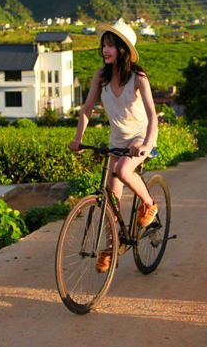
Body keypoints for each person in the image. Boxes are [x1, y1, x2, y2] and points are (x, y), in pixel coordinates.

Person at [68, 18, 159, 273]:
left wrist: (146, 146)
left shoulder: (138, 77)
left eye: (111, 45)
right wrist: (78, 139)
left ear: (123, 49)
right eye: (104, 45)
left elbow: (153, 115)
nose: (106, 50)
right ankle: (109, 247)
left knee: (123, 171)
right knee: (111, 198)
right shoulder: (101, 75)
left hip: (141, 136)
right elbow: (86, 109)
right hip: (117, 139)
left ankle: (150, 203)